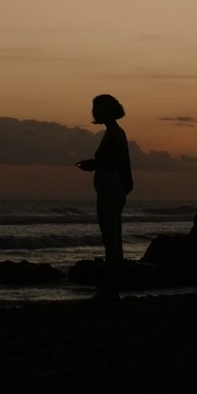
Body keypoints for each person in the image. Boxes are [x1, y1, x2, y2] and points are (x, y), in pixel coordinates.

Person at [75, 93, 133, 301]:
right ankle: (112, 287)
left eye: (96, 108)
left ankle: (111, 289)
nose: (93, 113)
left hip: (109, 188)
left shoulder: (114, 134)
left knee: (111, 238)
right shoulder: (116, 132)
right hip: (113, 188)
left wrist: (92, 165)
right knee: (113, 238)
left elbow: (111, 163)